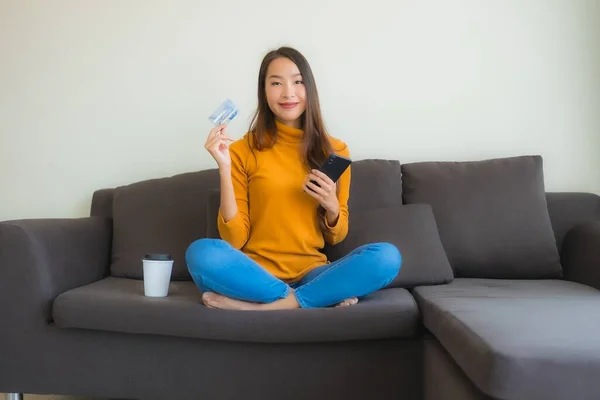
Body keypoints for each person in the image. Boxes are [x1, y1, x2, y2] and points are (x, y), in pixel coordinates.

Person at [186, 47, 402, 310]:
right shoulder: (243, 150)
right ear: (264, 92)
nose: (288, 93)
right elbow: (234, 240)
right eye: (276, 83)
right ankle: (312, 298)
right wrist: (223, 168)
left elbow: (337, 236)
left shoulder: (335, 151)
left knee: (386, 257)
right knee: (202, 253)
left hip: (312, 272)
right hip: (256, 274)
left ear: (309, 88)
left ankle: (265, 306)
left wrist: (331, 204)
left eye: (298, 82)